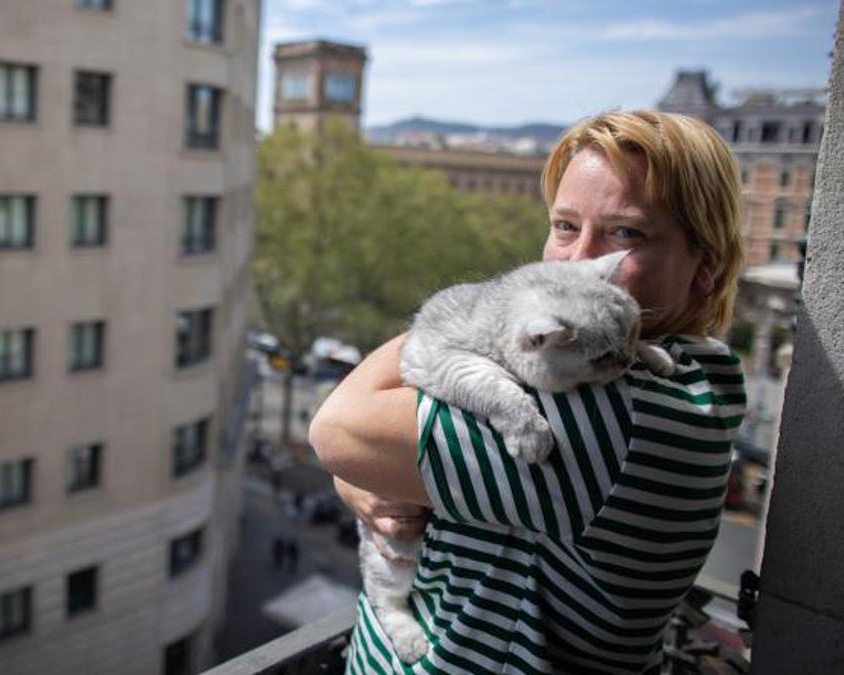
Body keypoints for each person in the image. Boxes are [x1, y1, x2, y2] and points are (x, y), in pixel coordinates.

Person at [310, 110, 745, 674]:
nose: (580, 260)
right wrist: (369, 477)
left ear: (703, 266)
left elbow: (337, 429)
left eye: (627, 232)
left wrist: (493, 306)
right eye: (564, 226)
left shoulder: (618, 410)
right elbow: (371, 459)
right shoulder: (698, 380)